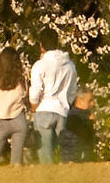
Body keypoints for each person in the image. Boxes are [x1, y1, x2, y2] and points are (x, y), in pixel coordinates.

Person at [28, 37, 78, 165]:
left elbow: (36, 90)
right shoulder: (70, 65)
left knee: (45, 151)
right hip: (62, 110)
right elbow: (73, 90)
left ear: (41, 46)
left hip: (44, 108)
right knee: (62, 150)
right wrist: (67, 103)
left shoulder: (40, 65)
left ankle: (48, 179)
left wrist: (34, 104)